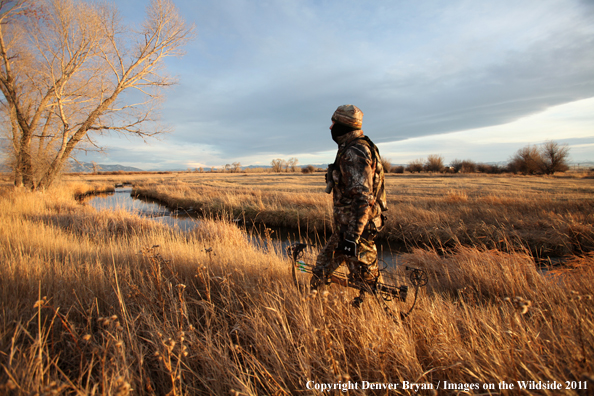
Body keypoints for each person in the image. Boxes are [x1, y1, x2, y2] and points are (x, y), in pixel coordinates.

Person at [310, 104, 387, 307]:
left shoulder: (355, 153)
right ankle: (313, 307)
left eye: (334, 123)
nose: (330, 128)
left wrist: (352, 238)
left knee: (367, 281)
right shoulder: (352, 148)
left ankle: (379, 317)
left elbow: (363, 197)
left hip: (355, 231)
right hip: (346, 230)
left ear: (343, 126)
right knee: (322, 267)